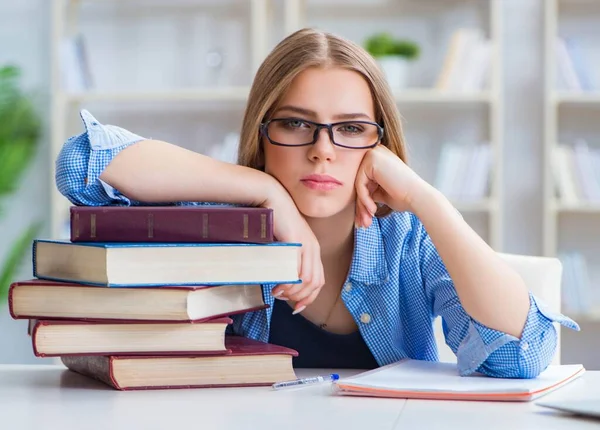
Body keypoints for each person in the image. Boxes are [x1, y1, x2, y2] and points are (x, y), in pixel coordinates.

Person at [55, 28, 578, 377]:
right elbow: (80, 164)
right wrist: (265, 193)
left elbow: (519, 357)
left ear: (381, 144)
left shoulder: (407, 240)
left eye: (351, 129)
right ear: (262, 134)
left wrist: (425, 197)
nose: (323, 151)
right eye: (296, 124)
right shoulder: (223, 223)